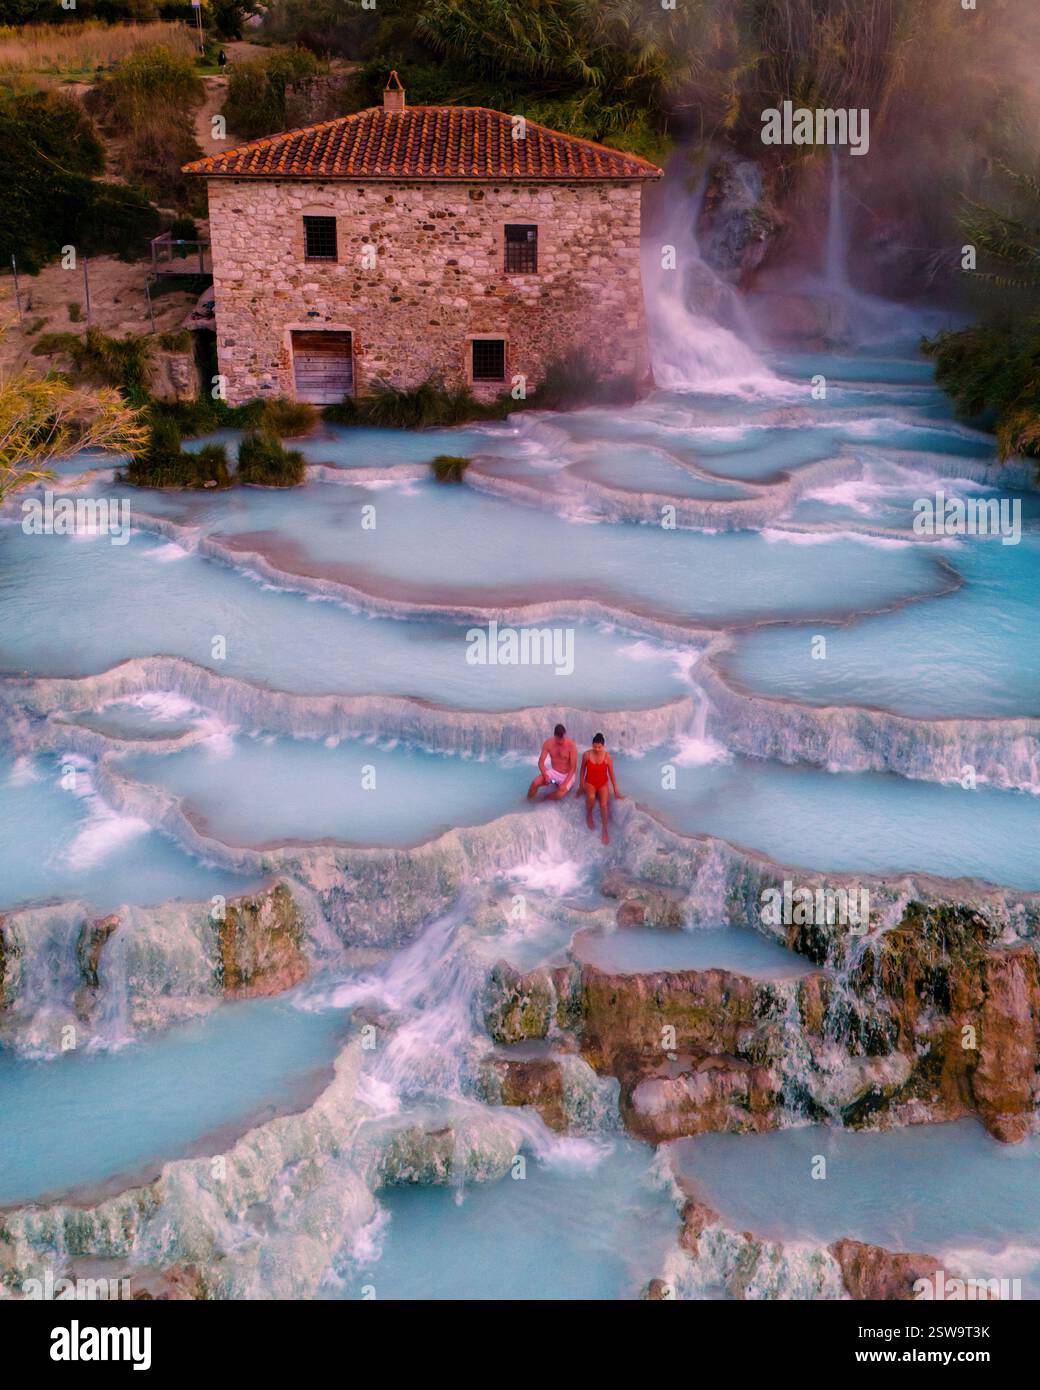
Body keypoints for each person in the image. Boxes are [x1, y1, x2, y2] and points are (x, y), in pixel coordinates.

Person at [578, 732, 623, 844]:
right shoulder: (586, 755)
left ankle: (605, 830)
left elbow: (612, 774)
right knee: (592, 798)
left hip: (602, 784)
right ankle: (589, 815)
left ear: (603, 746)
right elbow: (582, 770)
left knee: (603, 804)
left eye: (599, 747)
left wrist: (616, 790)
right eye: (595, 746)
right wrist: (581, 785)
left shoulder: (607, 757)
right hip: (590, 783)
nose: (597, 749)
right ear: (592, 745)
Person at [527, 724, 578, 801]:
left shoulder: (571, 745)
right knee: (535, 783)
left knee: (559, 795)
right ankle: (528, 802)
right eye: (559, 739)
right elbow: (540, 762)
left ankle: (542, 799)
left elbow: (573, 767)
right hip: (554, 772)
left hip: (567, 774)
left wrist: (565, 783)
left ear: (565, 735)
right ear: (555, 736)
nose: (561, 741)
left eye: (563, 738)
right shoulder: (548, 743)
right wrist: (545, 775)